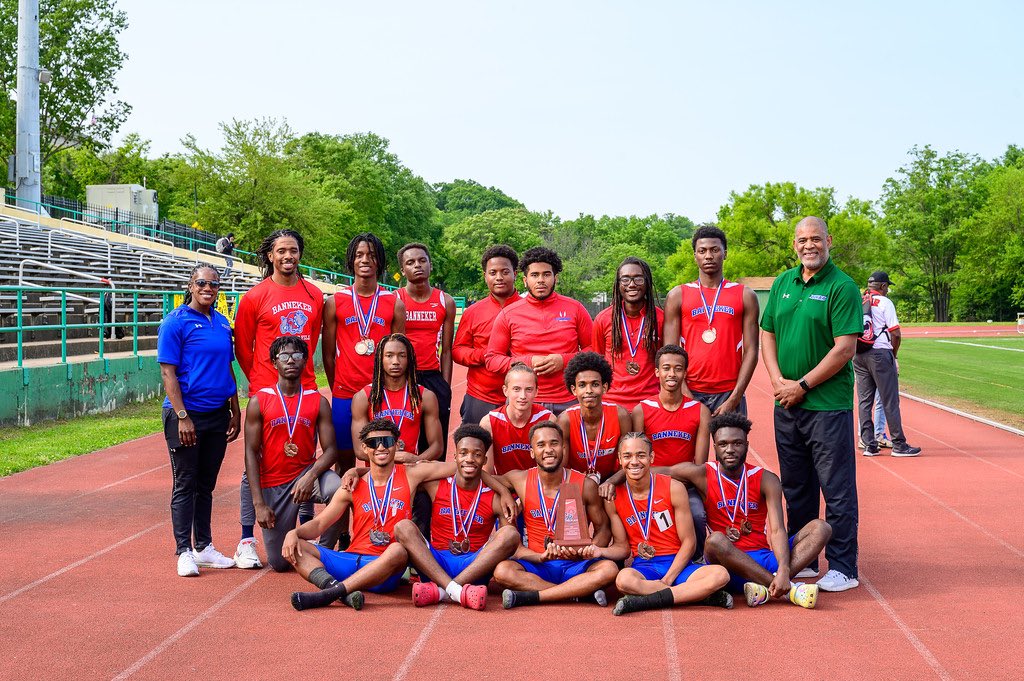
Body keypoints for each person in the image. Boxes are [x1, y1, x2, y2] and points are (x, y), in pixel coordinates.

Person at [286, 419, 514, 610]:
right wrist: (294, 533)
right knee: (298, 546)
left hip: (386, 566)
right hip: (349, 559)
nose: (381, 447)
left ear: (396, 446)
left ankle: (331, 593)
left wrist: (502, 490)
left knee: (399, 543)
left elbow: (465, 467)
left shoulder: (413, 474)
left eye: (386, 442)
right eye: (373, 443)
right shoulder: (351, 485)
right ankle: (334, 589)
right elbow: (319, 525)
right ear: (364, 448)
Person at [760, 216, 863, 592]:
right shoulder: (784, 283)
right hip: (786, 404)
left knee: (836, 488)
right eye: (802, 240)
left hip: (826, 405)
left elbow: (845, 348)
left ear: (829, 241)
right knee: (796, 487)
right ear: (794, 245)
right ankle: (804, 558)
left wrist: (801, 385)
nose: (809, 245)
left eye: (816, 239)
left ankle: (843, 566)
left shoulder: (842, 286)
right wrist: (776, 381)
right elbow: (767, 333)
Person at [661, 413, 831, 609]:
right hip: (726, 564)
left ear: (747, 445)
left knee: (821, 528)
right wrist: (616, 479)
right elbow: (653, 471)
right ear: (714, 447)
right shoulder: (701, 473)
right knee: (715, 540)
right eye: (723, 444)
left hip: (764, 558)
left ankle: (767, 588)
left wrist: (784, 568)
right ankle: (789, 590)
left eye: (737, 443)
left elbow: (777, 530)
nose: (730, 449)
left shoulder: (766, 479)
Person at [234, 229, 325, 568]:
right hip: (267, 390)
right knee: (254, 463)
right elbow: (243, 346)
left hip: (305, 388)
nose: (288, 256)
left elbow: (311, 341)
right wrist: (260, 382)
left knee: (305, 456)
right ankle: (246, 538)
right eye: (281, 251)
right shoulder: (255, 296)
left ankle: (303, 529)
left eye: (294, 250)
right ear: (270, 256)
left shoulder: (314, 294)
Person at [157, 265, 241, 576]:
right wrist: (182, 416)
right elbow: (168, 373)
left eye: (214, 284)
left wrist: (235, 406)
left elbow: (228, 367)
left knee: (206, 485)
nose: (209, 288)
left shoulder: (221, 323)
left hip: (217, 415)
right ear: (191, 285)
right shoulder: (175, 322)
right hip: (186, 415)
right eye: (202, 283)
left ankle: (204, 547)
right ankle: (183, 551)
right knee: (185, 483)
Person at [601, 433, 733, 616]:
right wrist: (597, 551)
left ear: (651, 458)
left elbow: (689, 542)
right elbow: (622, 547)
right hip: (644, 567)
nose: (634, 462)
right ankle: (698, 597)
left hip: (679, 565)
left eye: (640, 455)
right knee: (623, 580)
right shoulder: (613, 499)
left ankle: (645, 601)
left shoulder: (674, 487)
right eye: (627, 456)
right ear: (619, 459)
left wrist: (668, 579)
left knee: (720, 575)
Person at [492, 422, 619, 609]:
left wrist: (587, 550)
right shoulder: (520, 480)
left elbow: (603, 529)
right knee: (502, 571)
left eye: (554, 443)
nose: (548, 450)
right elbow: (481, 476)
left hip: (575, 563)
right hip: (538, 562)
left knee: (609, 570)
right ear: (532, 452)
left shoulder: (585, 485)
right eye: (541, 445)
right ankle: (576, 593)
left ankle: (538, 596)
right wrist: (503, 492)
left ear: (564, 448)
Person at [395, 424, 521, 610]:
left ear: (484, 459)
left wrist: (503, 491)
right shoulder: (435, 485)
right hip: (435, 563)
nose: (469, 459)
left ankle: (442, 591)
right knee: (403, 527)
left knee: (510, 533)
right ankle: (456, 590)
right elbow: (394, 473)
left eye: (477, 455)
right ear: (455, 457)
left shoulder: (495, 498)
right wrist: (357, 471)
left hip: (474, 567)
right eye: (463, 453)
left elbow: (510, 546)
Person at [242, 337, 341, 573]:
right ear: (274, 362)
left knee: (339, 489)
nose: (290, 361)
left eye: (296, 356)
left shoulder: (318, 401)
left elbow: (332, 450)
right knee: (279, 563)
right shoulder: (259, 401)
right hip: (275, 482)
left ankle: (323, 551)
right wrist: (259, 505)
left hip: (308, 475)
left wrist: (310, 476)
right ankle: (290, 541)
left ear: (305, 361)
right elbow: (251, 453)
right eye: (284, 356)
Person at [599, 344, 709, 556]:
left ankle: (696, 562)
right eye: (666, 368)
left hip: (685, 486)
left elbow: (697, 468)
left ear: (685, 372)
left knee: (697, 514)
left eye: (678, 368)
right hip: (646, 484)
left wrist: (668, 474)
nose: (672, 373)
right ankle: (627, 560)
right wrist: (674, 471)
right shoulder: (642, 410)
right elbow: (634, 457)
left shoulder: (700, 411)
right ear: (657, 372)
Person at [323, 233, 405, 474]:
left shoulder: (394, 302)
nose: (364, 260)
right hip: (344, 394)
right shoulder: (335, 301)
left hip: (381, 394)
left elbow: (399, 353)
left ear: (379, 260)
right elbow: (328, 355)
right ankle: (341, 513)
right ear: (351, 260)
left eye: (370, 255)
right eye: (359, 255)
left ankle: (376, 512)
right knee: (344, 463)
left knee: (380, 463)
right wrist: (337, 386)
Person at [663, 225, 760, 416]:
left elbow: (751, 350)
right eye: (702, 251)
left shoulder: (745, 295)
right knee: (690, 448)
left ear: (725, 254)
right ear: (695, 255)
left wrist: (735, 396)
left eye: (715, 250)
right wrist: (684, 392)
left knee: (730, 447)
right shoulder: (678, 295)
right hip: (689, 391)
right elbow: (669, 351)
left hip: (729, 391)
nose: (708, 256)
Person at [485, 246, 594, 415]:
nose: (541, 280)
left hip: (568, 400)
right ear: (524, 280)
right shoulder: (508, 313)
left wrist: (563, 360)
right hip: (524, 402)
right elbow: (492, 359)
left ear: (555, 278)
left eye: (546, 274)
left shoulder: (576, 309)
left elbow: (593, 350)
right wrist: (527, 361)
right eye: (534, 275)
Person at [854, 271, 921, 457]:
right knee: (889, 400)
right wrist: (894, 354)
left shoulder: (859, 301)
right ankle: (899, 444)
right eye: (887, 285)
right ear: (883, 286)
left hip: (858, 354)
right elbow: (896, 333)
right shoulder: (885, 302)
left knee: (864, 401)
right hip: (880, 353)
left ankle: (869, 444)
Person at [397, 243, 455, 457]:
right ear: (403, 270)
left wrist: (445, 387)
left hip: (433, 376)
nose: (417, 265)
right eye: (410, 262)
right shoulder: (396, 299)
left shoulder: (445, 301)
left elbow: (447, 350)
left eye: (422, 261)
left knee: (435, 442)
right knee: (404, 438)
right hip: (403, 377)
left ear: (430, 265)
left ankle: (434, 487)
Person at [453, 245, 522, 425]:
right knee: (475, 449)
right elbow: (458, 350)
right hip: (481, 395)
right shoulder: (473, 312)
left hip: (521, 396)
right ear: (485, 276)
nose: (498, 277)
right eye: (493, 272)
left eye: (505, 272)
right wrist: (486, 356)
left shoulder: (528, 309)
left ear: (515, 274)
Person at [350, 333, 443, 464]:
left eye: (402, 355)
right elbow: (360, 450)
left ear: (409, 359)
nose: (395, 361)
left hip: (412, 470)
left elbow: (437, 446)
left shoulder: (425, 396)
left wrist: (415, 460)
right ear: (380, 359)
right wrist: (396, 457)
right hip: (378, 472)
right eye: (389, 355)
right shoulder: (363, 397)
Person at [591, 257, 663, 411]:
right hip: (612, 403)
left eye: (638, 278)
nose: (631, 284)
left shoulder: (661, 319)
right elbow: (596, 364)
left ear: (647, 282)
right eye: (625, 279)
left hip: (650, 402)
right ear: (618, 284)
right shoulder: (603, 319)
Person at [558, 352, 631, 483]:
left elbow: (627, 462)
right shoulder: (565, 420)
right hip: (574, 482)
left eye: (595, 384)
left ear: (604, 387)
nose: (589, 390)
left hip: (612, 480)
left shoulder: (621, 416)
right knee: (570, 504)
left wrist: (611, 483)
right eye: (582, 385)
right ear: (574, 390)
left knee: (610, 499)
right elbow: (561, 467)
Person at [480, 363, 555, 475]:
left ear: (536, 391)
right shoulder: (489, 422)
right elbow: (486, 473)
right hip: (503, 484)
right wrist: (503, 491)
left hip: (538, 484)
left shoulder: (548, 420)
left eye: (529, 389)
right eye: (516, 389)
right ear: (505, 391)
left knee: (573, 486)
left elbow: (556, 467)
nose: (523, 396)